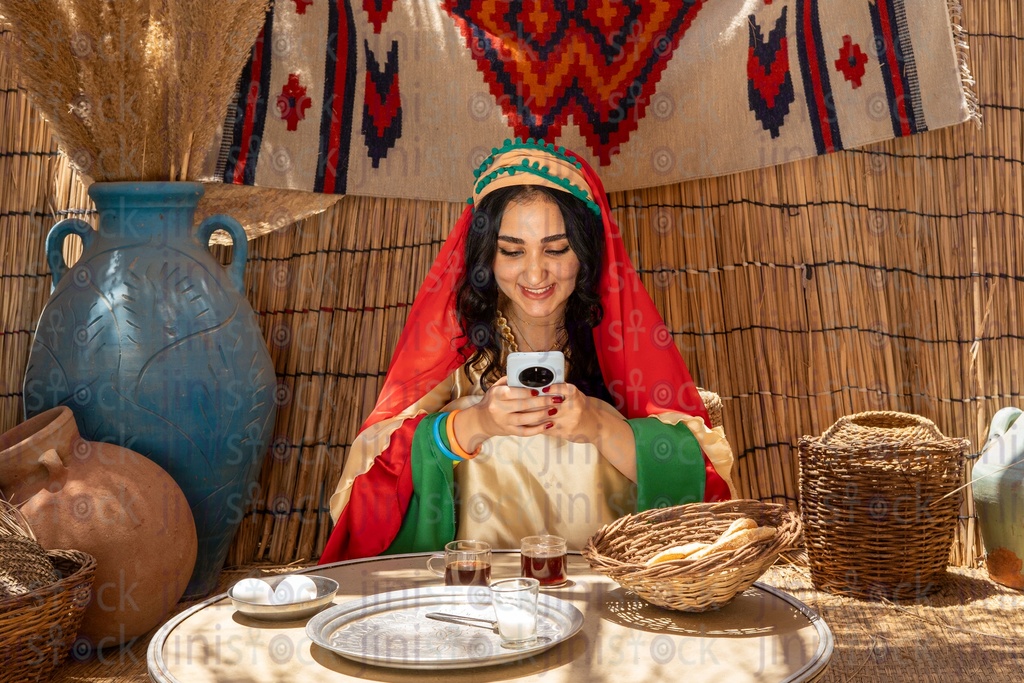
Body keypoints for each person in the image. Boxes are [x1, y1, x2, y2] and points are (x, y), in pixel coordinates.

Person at [320, 138, 734, 563]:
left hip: (600, 583)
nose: (536, 272)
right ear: (488, 256)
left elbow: (701, 480)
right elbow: (370, 476)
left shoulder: (614, 339)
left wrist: (597, 426)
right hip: (474, 588)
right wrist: (474, 425)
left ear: (586, 252)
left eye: (556, 249)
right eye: (512, 251)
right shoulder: (455, 345)